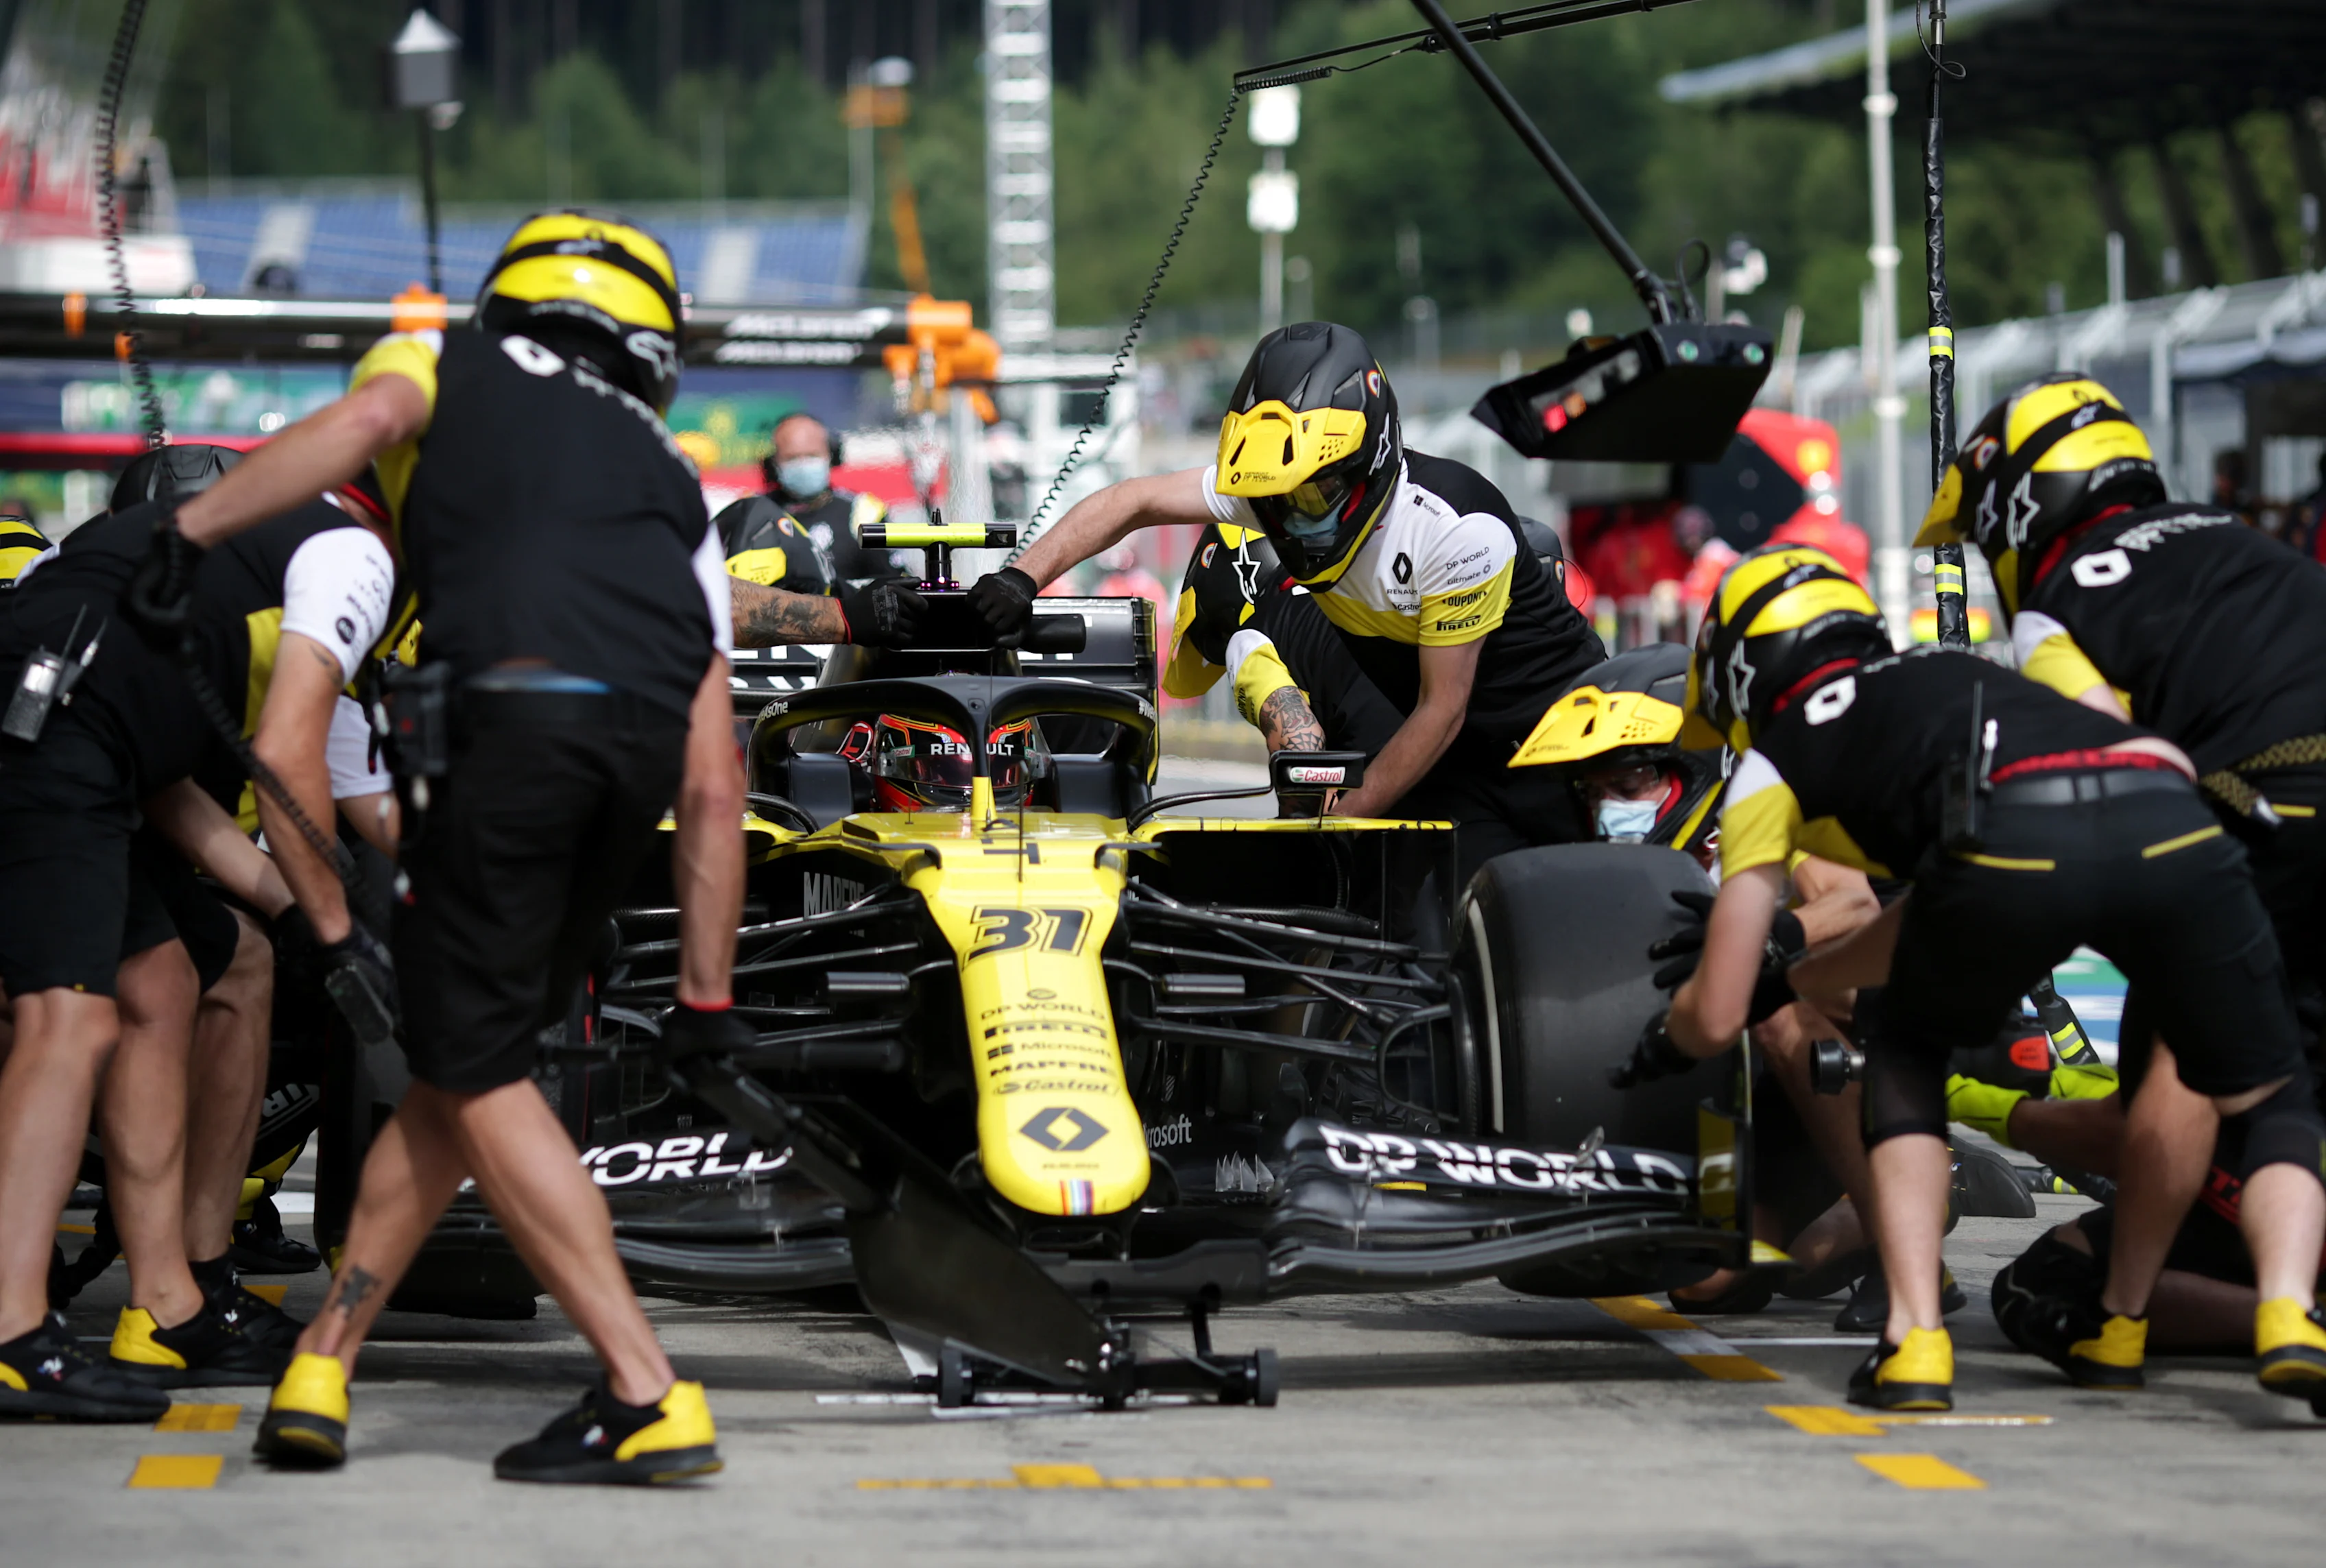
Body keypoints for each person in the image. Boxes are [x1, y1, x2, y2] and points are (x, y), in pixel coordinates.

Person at [134, 212, 920, 1482]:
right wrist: (708, 994)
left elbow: (357, 428)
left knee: (473, 1067)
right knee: (465, 1069)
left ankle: (645, 1385)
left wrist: (194, 532)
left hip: (504, 751)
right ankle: (325, 1360)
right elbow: (715, 782)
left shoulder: (440, 355)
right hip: (626, 786)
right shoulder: (674, 482)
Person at [1614, 543, 2326, 1412]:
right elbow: (1921, 917)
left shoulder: (1773, 758)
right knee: (2270, 1092)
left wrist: (1670, 1034)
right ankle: (2285, 1314)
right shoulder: (1957, 673)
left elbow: (1718, 1012)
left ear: (1733, 673)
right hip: (2169, 810)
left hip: (2017, 835)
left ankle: (1913, 1339)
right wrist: (1795, 976)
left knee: (1904, 1053)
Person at [1917, 372, 2326, 1395]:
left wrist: (1967, 1073)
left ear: (2016, 505)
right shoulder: (2253, 549)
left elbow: (2117, 766)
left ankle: (2193, 1315)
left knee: (2046, 1284)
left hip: (2267, 815)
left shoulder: (2059, 606)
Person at [0, 450, 412, 1416]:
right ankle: (15, 1333)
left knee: (171, 980)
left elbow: (166, 776)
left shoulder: (233, 573)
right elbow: (282, 759)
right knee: (69, 1020)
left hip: (73, 733)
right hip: (39, 727)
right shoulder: (351, 554)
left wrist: (289, 906)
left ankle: (168, 1304)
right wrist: (336, 923)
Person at [969, 322, 1605, 885]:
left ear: (1371, 457)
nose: (1295, 523)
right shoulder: (1275, 494)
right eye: (1278, 503)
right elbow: (1133, 500)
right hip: (1460, 762)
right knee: (1437, 938)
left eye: (1314, 495)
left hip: (1566, 745)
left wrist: (1337, 823)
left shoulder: (1453, 530)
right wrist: (1020, 578)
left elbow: (1443, 709)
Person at [1162, 520, 1404, 760]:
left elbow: (1301, 748)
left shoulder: (1248, 640)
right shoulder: (1351, 576)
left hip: (1386, 761)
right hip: (1431, 726)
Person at [762, 412, 900, 585]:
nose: (803, 465)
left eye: (812, 456)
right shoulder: (755, 515)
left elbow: (897, 585)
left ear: (832, 456)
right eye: (792, 458)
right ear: (773, 465)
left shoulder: (864, 512)